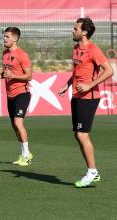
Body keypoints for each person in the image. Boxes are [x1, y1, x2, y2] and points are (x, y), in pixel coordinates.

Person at [59, 17, 114, 188]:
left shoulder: (93, 49)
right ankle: (92, 171)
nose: (72, 30)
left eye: (75, 28)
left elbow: (109, 70)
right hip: (77, 95)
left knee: (82, 134)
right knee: (78, 134)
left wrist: (90, 85)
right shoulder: (76, 48)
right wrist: (68, 85)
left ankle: (92, 172)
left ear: (84, 32)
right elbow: (77, 72)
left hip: (89, 97)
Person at [0, 27, 33, 166]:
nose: (4, 39)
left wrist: (13, 75)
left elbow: (29, 76)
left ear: (15, 39)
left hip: (22, 93)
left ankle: (27, 155)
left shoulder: (22, 55)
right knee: (14, 126)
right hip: (10, 95)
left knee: (18, 122)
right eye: (4, 36)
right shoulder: (5, 53)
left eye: (7, 37)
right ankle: (23, 154)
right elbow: (6, 70)